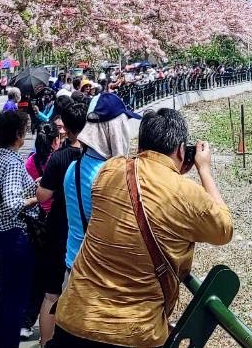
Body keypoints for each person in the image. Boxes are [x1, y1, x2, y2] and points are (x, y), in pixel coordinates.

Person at [53, 109, 233, 348]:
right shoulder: (186, 193)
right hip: (132, 333)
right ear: (181, 149)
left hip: (74, 319)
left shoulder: (110, 170)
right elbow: (224, 229)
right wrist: (204, 169)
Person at [34, 97, 88, 344]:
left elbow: (43, 195)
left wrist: (44, 185)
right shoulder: (90, 158)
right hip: (83, 231)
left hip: (58, 229)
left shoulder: (58, 158)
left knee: (51, 294)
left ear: (64, 126)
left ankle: (46, 342)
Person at [60, 92, 132, 273]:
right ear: (115, 130)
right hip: (99, 275)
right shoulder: (113, 177)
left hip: (74, 265)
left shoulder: (73, 169)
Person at [0, 109, 39, 348]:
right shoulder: (11, 162)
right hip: (14, 234)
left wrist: (37, 185)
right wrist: (35, 199)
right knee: (15, 300)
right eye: (25, 131)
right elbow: (12, 202)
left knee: (6, 297)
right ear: (18, 134)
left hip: (4, 234)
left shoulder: (4, 156)